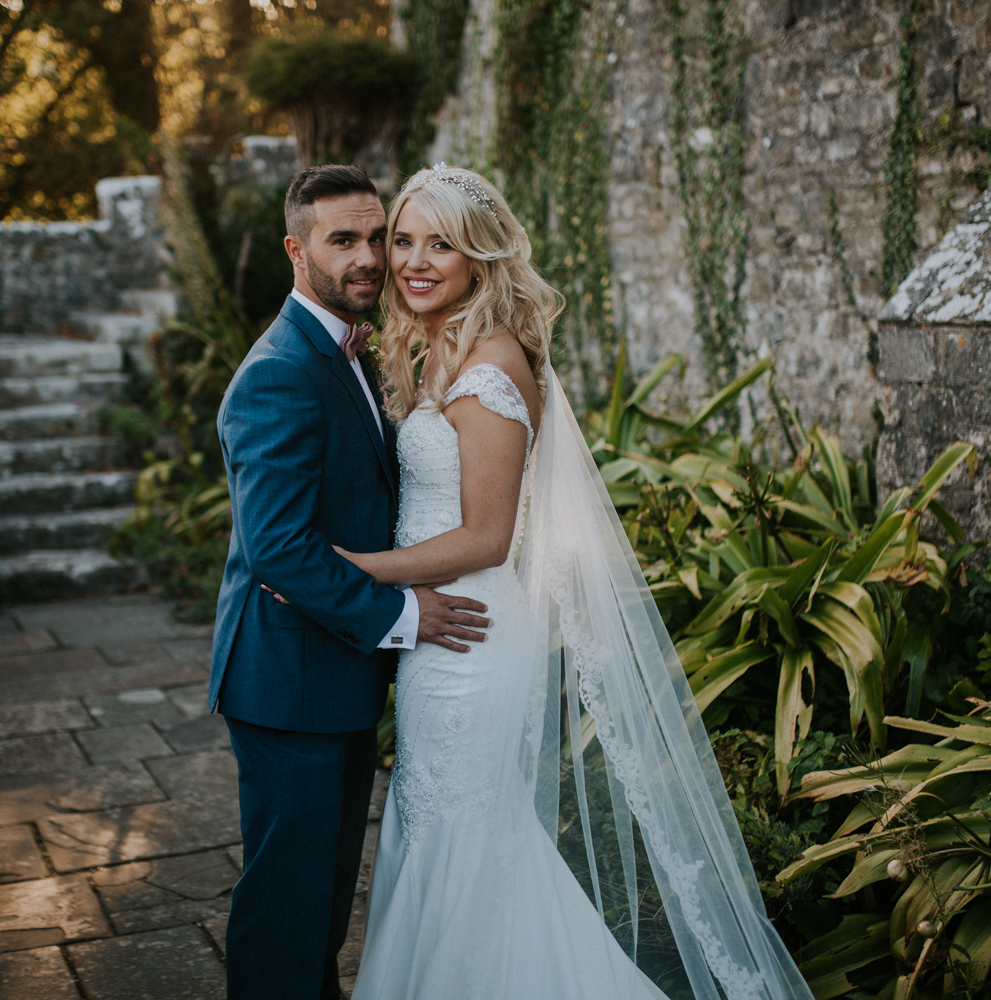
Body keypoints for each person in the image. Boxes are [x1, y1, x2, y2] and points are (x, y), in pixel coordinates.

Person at [313, 164, 813, 999]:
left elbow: (485, 536)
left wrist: (350, 570)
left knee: (463, 839)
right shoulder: (441, 351)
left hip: (470, 635)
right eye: (403, 240)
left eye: (441, 243)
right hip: (443, 633)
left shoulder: (489, 371)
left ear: (481, 257)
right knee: (442, 832)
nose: (413, 260)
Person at [209, 163, 496, 1000]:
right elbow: (279, 551)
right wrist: (407, 614)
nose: (370, 257)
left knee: (323, 907)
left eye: (378, 236)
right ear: (298, 251)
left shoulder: (349, 350)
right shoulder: (279, 371)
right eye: (346, 241)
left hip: (330, 677)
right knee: (286, 915)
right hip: (288, 685)